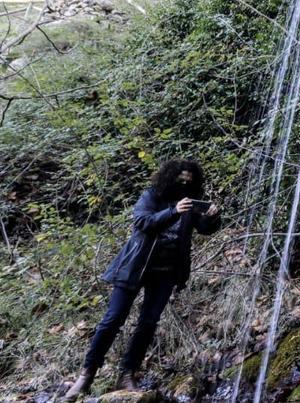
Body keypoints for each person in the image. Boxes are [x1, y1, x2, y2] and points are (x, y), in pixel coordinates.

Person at [64, 159, 222, 398]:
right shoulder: (152, 195)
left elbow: (204, 228)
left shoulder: (190, 203)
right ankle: (86, 375)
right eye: (181, 178)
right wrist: (173, 211)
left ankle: (128, 373)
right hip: (136, 267)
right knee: (113, 318)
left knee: (148, 323)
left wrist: (211, 217)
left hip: (168, 271)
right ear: (171, 177)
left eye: (190, 179)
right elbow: (142, 221)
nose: (185, 183)